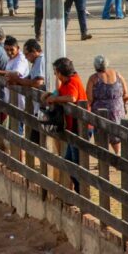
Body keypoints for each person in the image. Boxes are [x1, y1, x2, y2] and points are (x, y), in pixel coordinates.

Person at [41, 57, 87, 193]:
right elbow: (61, 92)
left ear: (61, 73)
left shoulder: (73, 82)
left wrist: (55, 98)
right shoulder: (67, 82)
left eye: (56, 72)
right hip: (73, 126)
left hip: (78, 127)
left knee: (75, 162)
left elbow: (72, 98)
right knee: (69, 161)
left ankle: (81, 191)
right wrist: (51, 94)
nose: (55, 75)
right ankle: (79, 190)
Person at [86, 55, 127, 154]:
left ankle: (103, 160)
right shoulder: (117, 74)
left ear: (95, 66)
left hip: (100, 110)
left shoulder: (93, 78)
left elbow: (90, 98)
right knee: (116, 134)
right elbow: (125, 91)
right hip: (117, 108)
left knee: (101, 134)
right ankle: (118, 154)